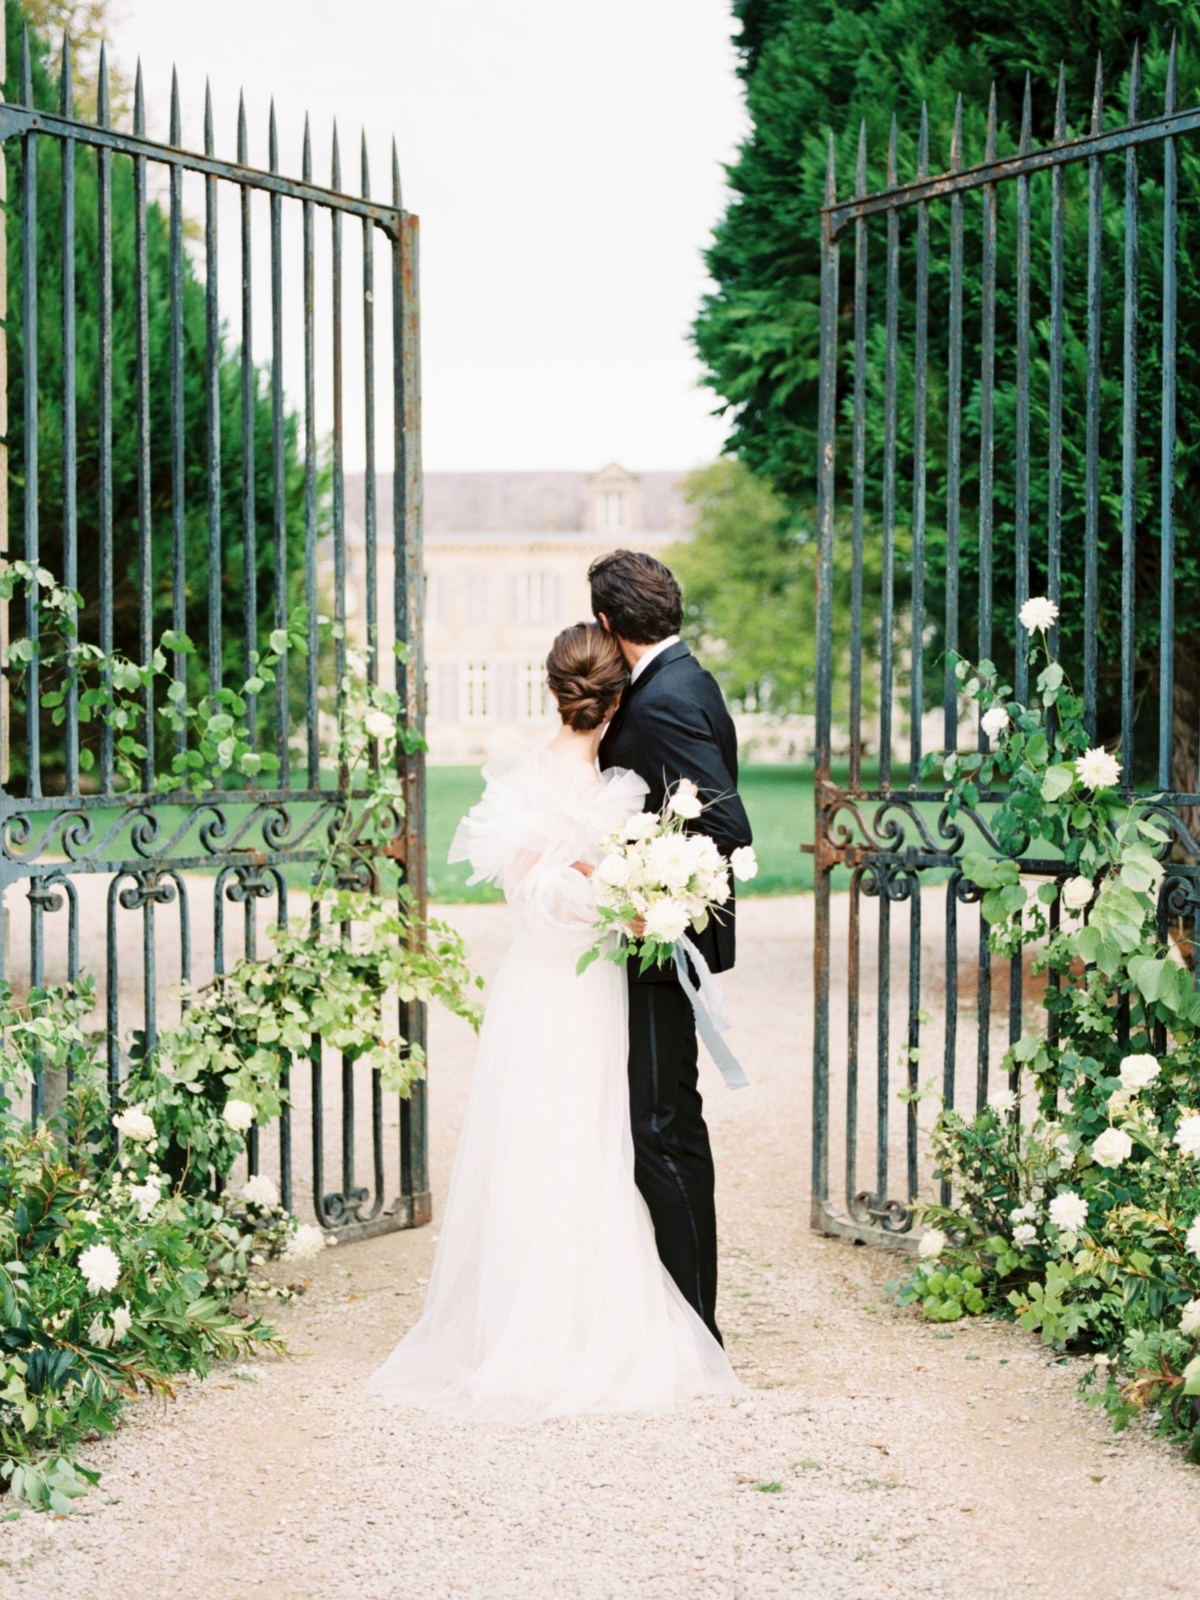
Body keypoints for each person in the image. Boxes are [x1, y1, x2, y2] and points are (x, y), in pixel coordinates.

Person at [367, 622, 739, 1420]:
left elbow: (522, 887)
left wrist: (597, 882)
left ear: (556, 693)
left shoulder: (531, 779)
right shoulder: (621, 791)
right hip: (591, 981)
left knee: (552, 1141)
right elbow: (552, 885)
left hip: (542, 981)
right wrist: (626, 901)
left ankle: (540, 1315)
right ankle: (577, 1323)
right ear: (615, 702)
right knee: (591, 1138)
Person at [589, 549, 752, 1345]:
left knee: (659, 1126)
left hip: (659, 943)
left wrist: (645, 891)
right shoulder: (685, 678)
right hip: (654, 933)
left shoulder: (662, 700)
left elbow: (725, 826)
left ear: (609, 624)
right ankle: (683, 1311)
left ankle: (695, 1326)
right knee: (666, 1120)